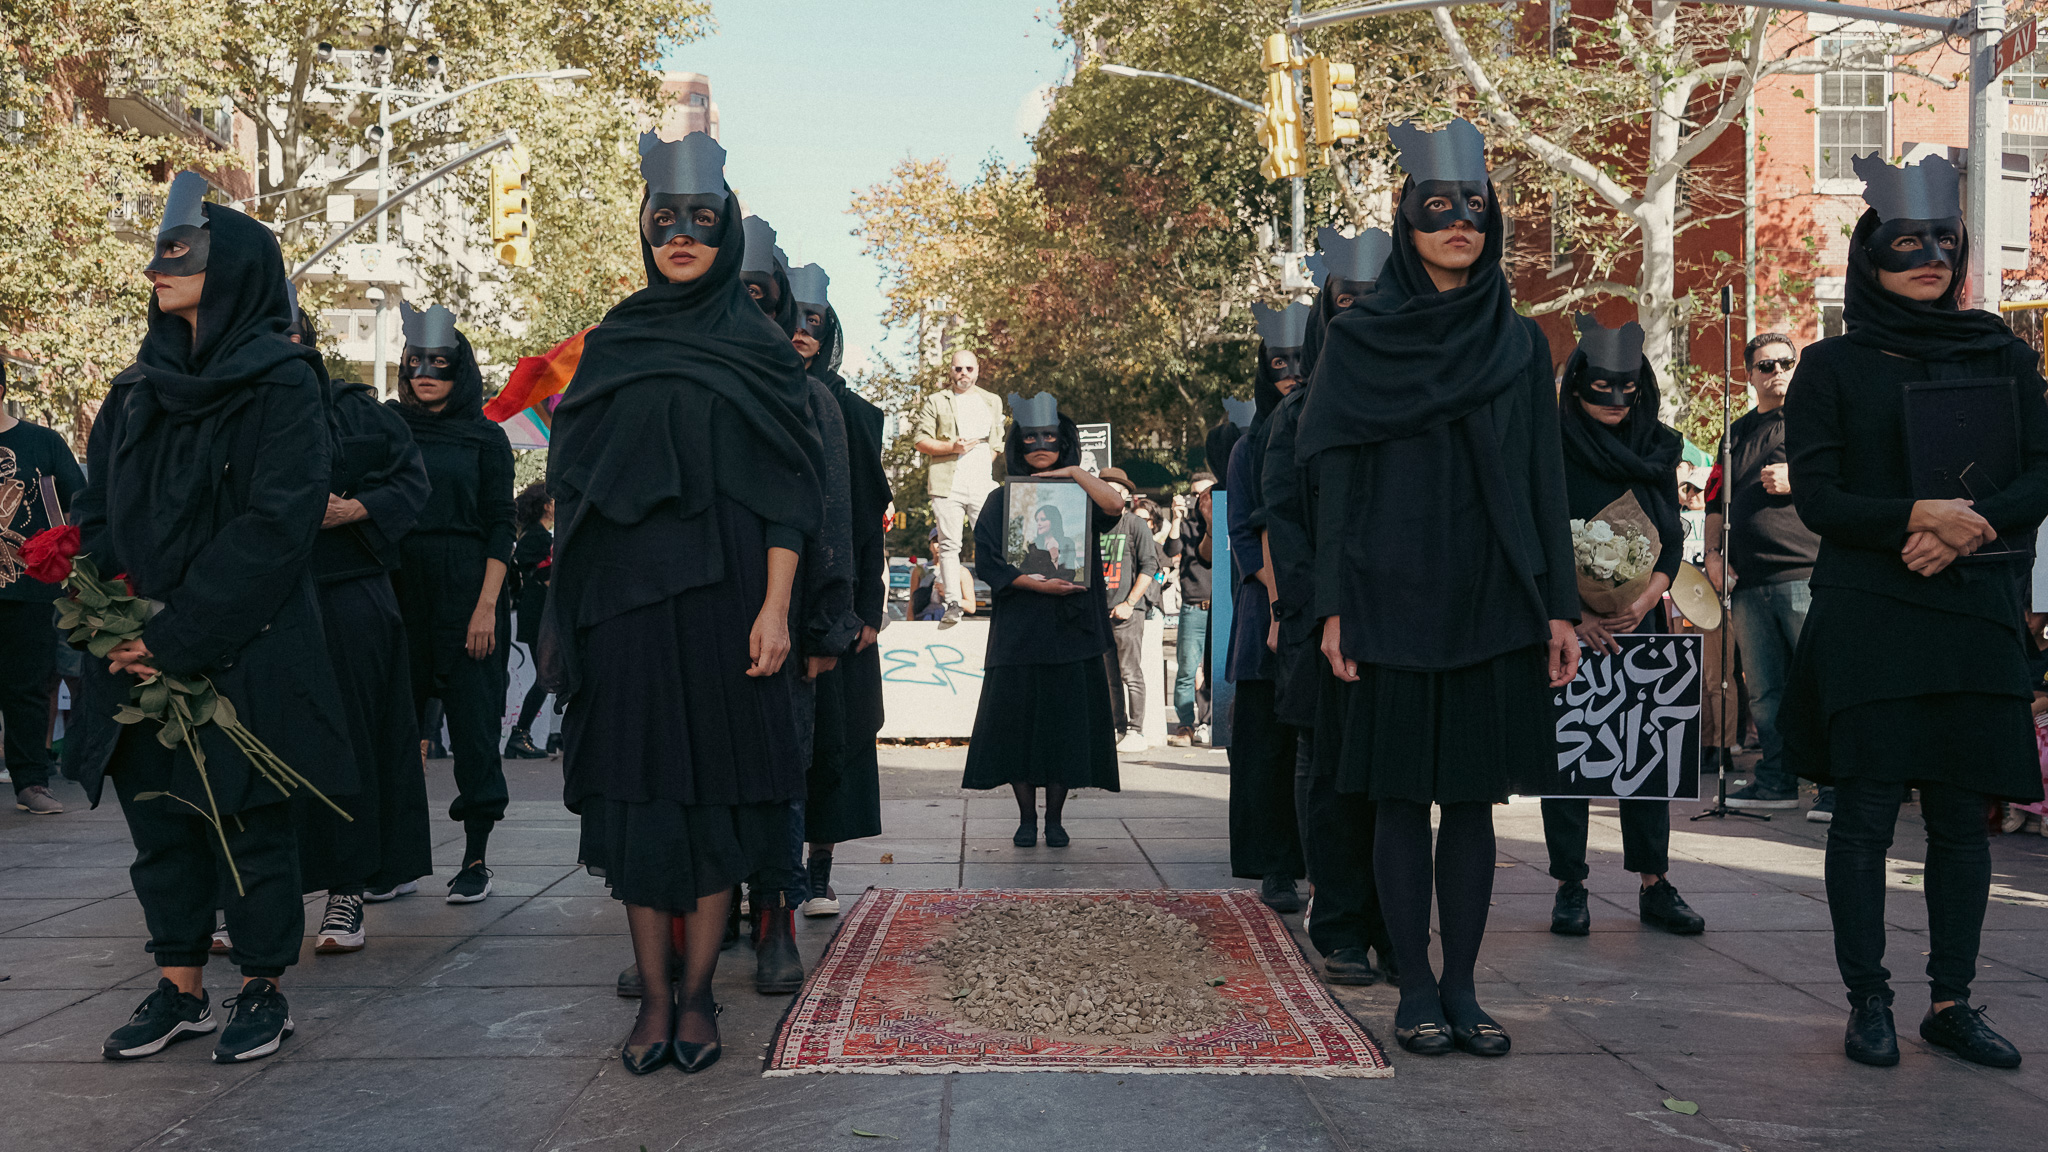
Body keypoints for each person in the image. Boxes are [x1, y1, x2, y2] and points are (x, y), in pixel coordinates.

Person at [1296, 120, 1578, 1057]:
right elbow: (1332, 475)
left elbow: (1546, 479)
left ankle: (1461, 984)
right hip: (1386, 591)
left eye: (1475, 208)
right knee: (1395, 800)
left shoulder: (1522, 342)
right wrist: (1331, 600)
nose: (1460, 222)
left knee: (1470, 800)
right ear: (1406, 220)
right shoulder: (1361, 336)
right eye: (1438, 208)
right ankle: (1411, 983)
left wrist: (1560, 607)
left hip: (1494, 593)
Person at [547, 131, 823, 1074]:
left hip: (728, 606)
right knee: (638, 798)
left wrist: (778, 607)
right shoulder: (614, 339)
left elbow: (792, 490)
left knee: (712, 801)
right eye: (663, 221)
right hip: (624, 608)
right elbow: (573, 477)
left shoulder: (762, 351)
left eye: (702, 223)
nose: (681, 236)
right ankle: (653, 999)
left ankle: (700, 1000)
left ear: (727, 230)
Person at [70, 173, 353, 1063]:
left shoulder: (284, 385)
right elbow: (99, 510)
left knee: (247, 827)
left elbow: (277, 526)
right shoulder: (138, 388)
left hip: (244, 652)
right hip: (135, 652)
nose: (156, 269)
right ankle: (181, 987)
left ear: (232, 268)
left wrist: (179, 634)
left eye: (179, 254)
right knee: (159, 821)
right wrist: (109, 620)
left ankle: (263, 986)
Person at [1781, 154, 2048, 1070]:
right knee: (1862, 815)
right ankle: (1869, 1002)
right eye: (1908, 243)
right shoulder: (1830, 366)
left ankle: (1952, 1001)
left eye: (1944, 241)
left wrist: (1964, 530)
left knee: (1957, 818)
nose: (1930, 256)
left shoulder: (2006, 354)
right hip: (1872, 618)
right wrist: (1913, 519)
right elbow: (1817, 496)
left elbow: (2041, 471)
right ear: (1871, 256)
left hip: (1971, 611)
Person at [1544, 316, 1706, 938]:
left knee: (1648, 752)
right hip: (1569, 626)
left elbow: (1671, 536)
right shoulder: (1550, 447)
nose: (1614, 403)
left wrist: (1647, 599)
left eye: (1627, 389)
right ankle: (1570, 884)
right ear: (1578, 386)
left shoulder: (1658, 447)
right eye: (1600, 389)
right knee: (1571, 753)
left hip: (1642, 620)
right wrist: (1575, 614)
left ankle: (1655, 883)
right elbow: (1541, 532)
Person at [1266, 226, 1399, 986]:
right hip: (1327, 628)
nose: (1361, 314)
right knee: (1332, 778)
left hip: (1408, 622)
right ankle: (1342, 923)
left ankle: (1393, 922)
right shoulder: (1296, 416)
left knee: (1399, 787)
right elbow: (1288, 533)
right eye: (1346, 301)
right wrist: (1322, 620)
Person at [293, 293, 435, 950]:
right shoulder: (221, 415)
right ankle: (249, 894)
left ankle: (346, 893)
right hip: (254, 598)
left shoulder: (354, 412)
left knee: (349, 742)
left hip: (346, 597)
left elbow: (408, 481)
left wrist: (357, 509)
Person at [388, 302, 516, 905]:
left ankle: (475, 857)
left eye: (439, 362)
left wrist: (486, 607)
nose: (426, 372)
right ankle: (397, 859)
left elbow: (500, 525)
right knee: (393, 730)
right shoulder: (388, 429)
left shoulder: (486, 437)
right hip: (399, 591)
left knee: (472, 728)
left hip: (469, 591)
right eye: (416, 362)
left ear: (459, 369)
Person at [962, 392, 1123, 846]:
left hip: (1072, 633)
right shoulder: (1000, 501)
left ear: (1064, 441)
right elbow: (991, 565)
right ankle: (1026, 820)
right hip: (1019, 635)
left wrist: (1074, 472)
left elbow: (1115, 506)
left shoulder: (1082, 495)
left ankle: (1054, 820)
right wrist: (1037, 585)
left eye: (1049, 437)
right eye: (1030, 437)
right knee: (1018, 729)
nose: (1039, 444)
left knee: (1065, 730)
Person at [786, 265, 890, 920]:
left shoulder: (852, 414)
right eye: (790, 316)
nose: (801, 332)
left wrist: (868, 609)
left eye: (814, 320)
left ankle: (818, 870)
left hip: (836, 600)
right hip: (762, 598)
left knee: (831, 738)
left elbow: (867, 516)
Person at [1709, 332, 1831, 818]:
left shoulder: (1817, 421)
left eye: (1785, 362)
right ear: (1749, 375)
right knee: (1765, 692)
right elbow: (1714, 499)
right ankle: (1776, 781)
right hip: (1748, 582)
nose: (1777, 371)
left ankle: (1835, 788)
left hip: (1806, 574)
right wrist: (1714, 557)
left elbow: (1850, 480)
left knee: (1820, 685)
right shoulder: (1733, 432)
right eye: (1766, 365)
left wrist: (1797, 480)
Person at [1225, 303, 1311, 912]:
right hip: (1270, 621)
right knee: (1270, 750)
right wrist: (1285, 609)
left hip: (1330, 614)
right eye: (1277, 363)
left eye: (1300, 360)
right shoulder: (1247, 449)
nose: (1289, 373)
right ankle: (1277, 866)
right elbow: (1246, 538)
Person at [0, 362, 85, 816]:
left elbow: (79, 501)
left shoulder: (42, 442)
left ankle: (31, 782)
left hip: (28, 589)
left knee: (27, 689)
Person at [912, 348, 1006, 626]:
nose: (963, 374)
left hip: (980, 483)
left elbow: (996, 443)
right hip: (947, 483)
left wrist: (981, 466)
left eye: (969, 369)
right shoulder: (936, 401)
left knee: (992, 541)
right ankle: (953, 603)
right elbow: (920, 440)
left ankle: (1003, 594)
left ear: (977, 370)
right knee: (949, 545)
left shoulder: (991, 401)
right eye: (958, 369)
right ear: (950, 371)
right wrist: (952, 447)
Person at [1097, 467, 1162, 752]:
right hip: (1099, 612)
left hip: (1127, 611)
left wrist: (1130, 603)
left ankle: (1137, 730)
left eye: (1117, 490)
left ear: (1126, 495)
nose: (1112, 495)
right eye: (1105, 489)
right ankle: (1116, 726)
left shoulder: (1135, 524)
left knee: (1129, 672)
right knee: (1108, 675)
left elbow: (1150, 566)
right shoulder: (1093, 523)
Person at [504, 483, 557, 760]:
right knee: (546, 676)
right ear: (546, 505)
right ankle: (520, 733)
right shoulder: (536, 539)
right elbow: (545, 577)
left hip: (536, 615)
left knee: (546, 676)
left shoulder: (534, 536)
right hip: (539, 615)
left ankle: (522, 733)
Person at [1165, 473, 1215, 746]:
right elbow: (1169, 551)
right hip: (1193, 605)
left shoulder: (1224, 519)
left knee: (1215, 670)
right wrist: (1175, 519)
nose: (1199, 499)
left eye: (1205, 493)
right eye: (1194, 494)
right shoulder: (1185, 524)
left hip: (1221, 606)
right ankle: (1185, 724)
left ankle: (1209, 721)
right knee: (1186, 669)